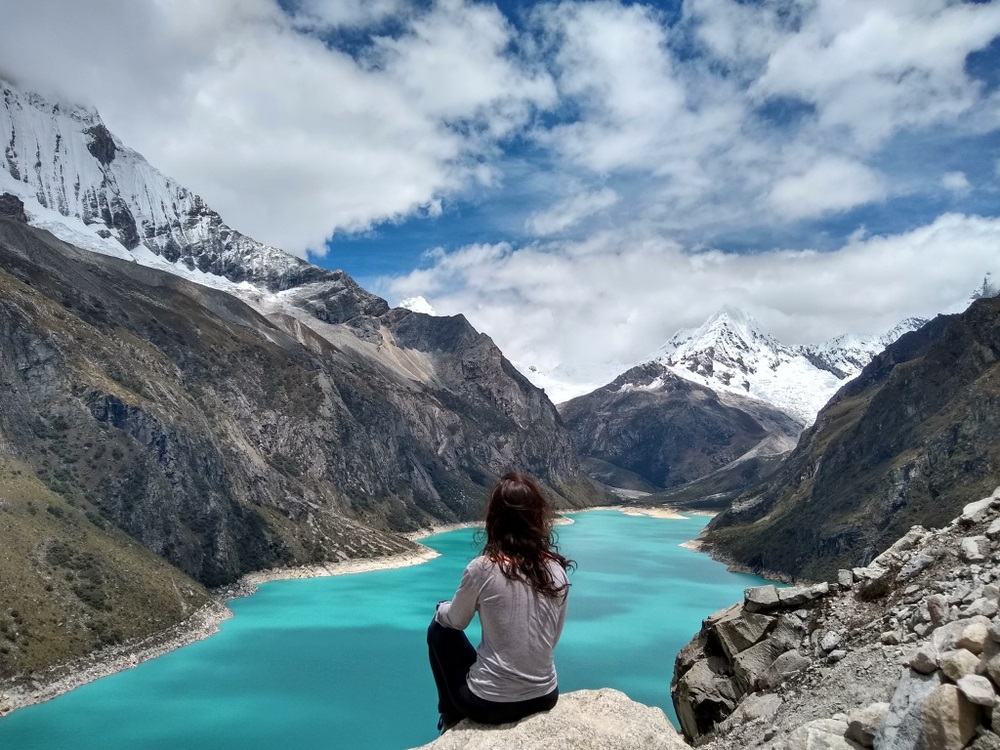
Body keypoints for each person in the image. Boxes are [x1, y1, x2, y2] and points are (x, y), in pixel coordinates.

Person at [427, 471, 574, 731]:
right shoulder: (556, 570)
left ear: (494, 519)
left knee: (439, 630)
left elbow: (456, 621)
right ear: (538, 517)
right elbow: (552, 639)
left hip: (489, 705)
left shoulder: (482, 568)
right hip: (545, 696)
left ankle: (449, 715)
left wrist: (441, 609)